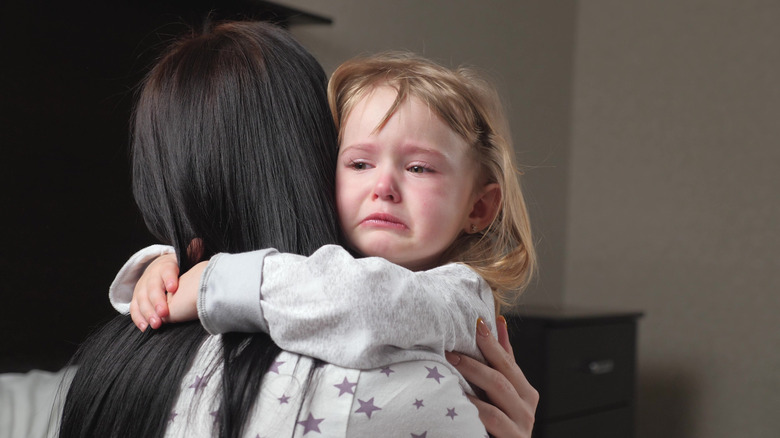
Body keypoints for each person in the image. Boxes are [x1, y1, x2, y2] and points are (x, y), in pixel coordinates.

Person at [60, 21, 536, 438]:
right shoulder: (322, 283)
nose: (383, 187)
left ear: (479, 207)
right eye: (359, 163)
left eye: (419, 168)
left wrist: (214, 280)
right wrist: (166, 266)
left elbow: (366, 299)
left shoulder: (459, 294)